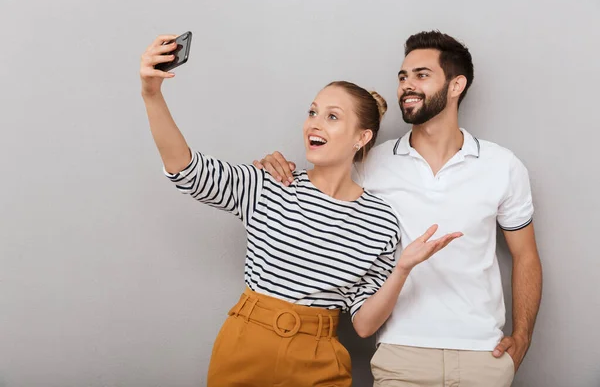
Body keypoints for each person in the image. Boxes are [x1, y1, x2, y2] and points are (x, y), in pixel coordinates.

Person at [139, 34, 461, 387]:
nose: (314, 124)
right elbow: (187, 170)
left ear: (362, 137)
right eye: (312, 112)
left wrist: (402, 269)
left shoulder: (381, 220)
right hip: (245, 347)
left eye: (332, 116)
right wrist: (152, 95)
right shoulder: (270, 182)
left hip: (320, 358)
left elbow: (365, 324)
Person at [256, 30, 543, 387]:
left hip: (483, 356)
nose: (407, 85)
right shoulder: (369, 163)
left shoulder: (503, 166)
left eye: (422, 75)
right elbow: (317, 186)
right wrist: (274, 166)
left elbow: (526, 255)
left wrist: (524, 336)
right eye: (403, 76)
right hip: (400, 354)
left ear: (456, 85)